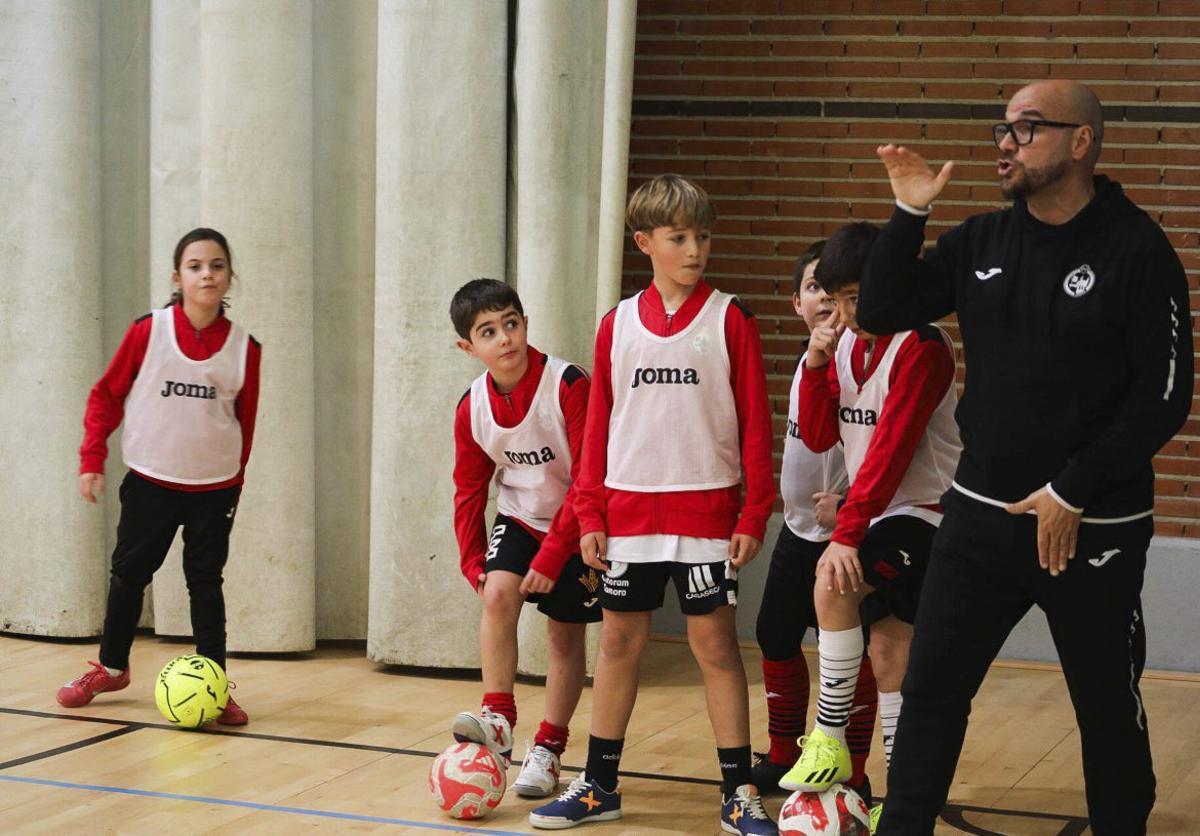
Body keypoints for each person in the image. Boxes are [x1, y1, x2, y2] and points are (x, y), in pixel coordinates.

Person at [862, 80, 1193, 835]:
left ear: (1082, 142)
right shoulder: (980, 239)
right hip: (980, 520)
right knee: (933, 689)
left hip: (1091, 524)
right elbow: (881, 310)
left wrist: (1071, 491)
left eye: (1028, 128)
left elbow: (1165, 397)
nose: (1007, 143)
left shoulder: (1137, 250)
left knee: (1105, 700)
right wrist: (910, 211)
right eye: (1002, 129)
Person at [529, 174, 778, 834]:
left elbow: (757, 422)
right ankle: (598, 785)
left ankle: (738, 791)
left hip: (704, 517)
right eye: (678, 237)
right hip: (629, 516)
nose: (695, 249)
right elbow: (600, 428)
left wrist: (754, 512)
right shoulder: (616, 325)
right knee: (617, 645)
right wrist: (590, 511)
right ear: (645, 242)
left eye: (702, 236)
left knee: (716, 647)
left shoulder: (732, 318)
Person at [775, 225, 961, 833]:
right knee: (888, 658)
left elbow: (892, 451)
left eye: (860, 296)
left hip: (929, 514)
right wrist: (817, 361)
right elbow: (821, 432)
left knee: (832, 585)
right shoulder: (846, 345)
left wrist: (848, 532)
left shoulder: (923, 346)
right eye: (840, 300)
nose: (852, 313)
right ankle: (903, 800)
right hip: (882, 513)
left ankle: (826, 737)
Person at [57, 227, 261, 725]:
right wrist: (91, 458)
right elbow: (106, 395)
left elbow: (246, 422)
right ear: (178, 276)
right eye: (195, 266)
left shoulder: (245, 349)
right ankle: (111, 667)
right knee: (129, 576)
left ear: (230, 276)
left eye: (216, 265)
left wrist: (234, 481)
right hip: (150, 480)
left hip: (214, 489)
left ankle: (214, 684)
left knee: (205, 583)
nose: (206, 273)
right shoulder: (148, 331)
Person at [450, 278, 600, 798]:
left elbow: (587, 479)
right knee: (496, 593)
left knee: (563, 637)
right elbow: (469, 490)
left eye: (511, 323)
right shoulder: (472, 406)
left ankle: (549, 750)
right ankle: (498, 720)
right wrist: (474, 563)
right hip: (520, 518)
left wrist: (556, 552)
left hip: (578, 526)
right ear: (468, 348)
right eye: (488, 332)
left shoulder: (568, 385)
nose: (505, 338)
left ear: (526, 323)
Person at [751, 240, 880, 804]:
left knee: (852, 651)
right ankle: (784, 752)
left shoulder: (860, 356)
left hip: (850, 536)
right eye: (813, 289)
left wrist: (851, 507)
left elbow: (870, 441)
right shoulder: (812, 357)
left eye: (837, 291)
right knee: (774, 635)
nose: (825, 300)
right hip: (798, 530)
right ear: (795, 303)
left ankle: (851, 769)